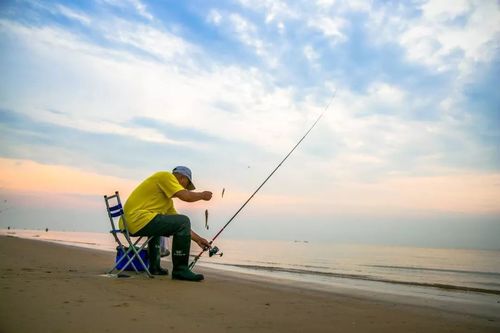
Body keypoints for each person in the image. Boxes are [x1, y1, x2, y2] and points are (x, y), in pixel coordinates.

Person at [120, 166, 212, 281]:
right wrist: (202, 195)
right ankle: (180, 270)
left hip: (129, 223)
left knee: (171, 223)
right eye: (186, 186)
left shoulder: (167, 202)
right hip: (137, 219)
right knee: (184, 220)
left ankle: (154, 267)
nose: (185, 189)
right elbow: (186, 197)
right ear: (182, 179)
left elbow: (180, 225)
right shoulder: (166, 176)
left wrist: (198, 239)